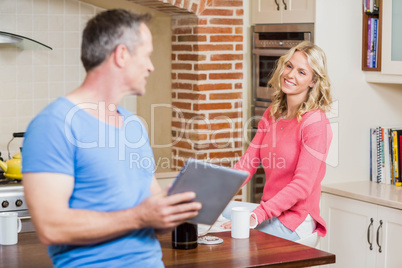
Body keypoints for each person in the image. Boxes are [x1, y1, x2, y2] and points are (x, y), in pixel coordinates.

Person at [22, 9, 201, 267]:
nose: (151, 66)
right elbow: (51, 227)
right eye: (147, 55)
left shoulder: (133, 125)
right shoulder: (53, 124)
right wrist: (140, 217)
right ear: (122, 55)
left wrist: (172, 210)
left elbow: (150, 214)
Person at [222, 41, 332, 242]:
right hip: (269, 212)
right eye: (289, 66)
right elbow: (248, 162)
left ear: (313, 82)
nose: (290, 75)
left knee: (226, 236)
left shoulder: (316, 123)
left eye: (301, 72)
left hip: (294, 221)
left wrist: (256, 216)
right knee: (208, 211)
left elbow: (302, 186)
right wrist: (214, 193)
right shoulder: (273, 113)